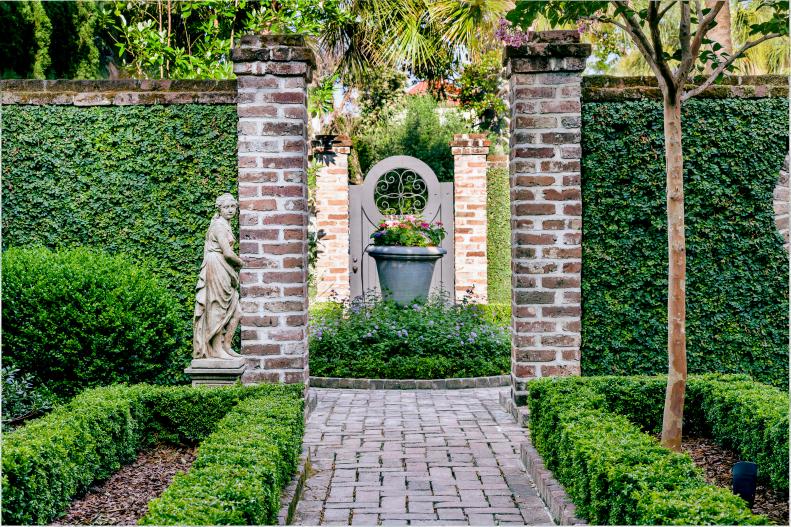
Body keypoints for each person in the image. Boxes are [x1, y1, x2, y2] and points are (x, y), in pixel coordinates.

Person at [193, 193, 244, 360]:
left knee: (236, 311)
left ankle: (226, 345)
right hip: (217, 266)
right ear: (220, 209)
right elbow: (228, 253)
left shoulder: (225, 225)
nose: (230, 210)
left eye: (233, 206)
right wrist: (241, 262)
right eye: (226, 207)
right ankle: (216, 348)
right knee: (218, 306)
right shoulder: (219, 227)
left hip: (223, 266)